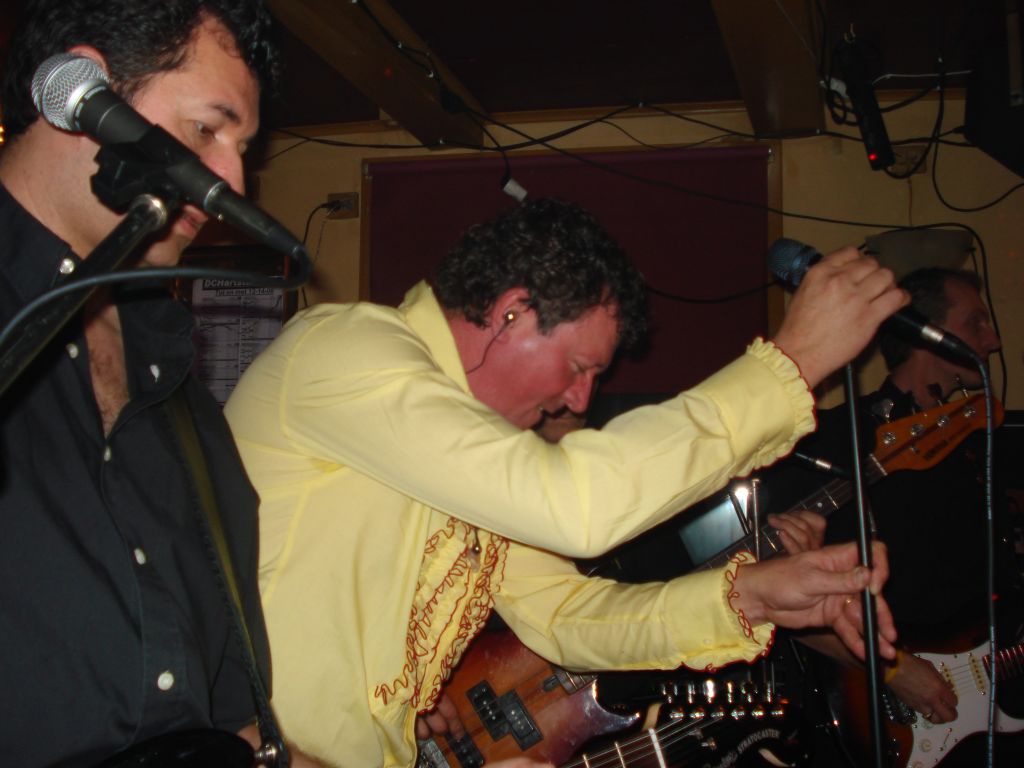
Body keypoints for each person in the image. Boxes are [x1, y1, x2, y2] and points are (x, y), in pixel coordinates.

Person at [224, 197, 905, 767]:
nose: (580, 400)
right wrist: (790, 365)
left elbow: (564, 615)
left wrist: (750, 595)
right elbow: (577, 507)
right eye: (580, 367)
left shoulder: (472, 449)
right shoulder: (346, 351)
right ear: (511, 312)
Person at [0, 1, 300, 765]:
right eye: (206, 130)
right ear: (78, 95)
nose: (232, 180)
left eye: (241, 149)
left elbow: (235, 734)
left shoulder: (187, 407)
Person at [763, 267, 1023, 766]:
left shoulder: (974, 445)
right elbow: (775, 593)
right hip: (884, 716)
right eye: (975, 323)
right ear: (927, 335)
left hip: (985, 707)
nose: (994, 340)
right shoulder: (835, 439)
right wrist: (892, 669)